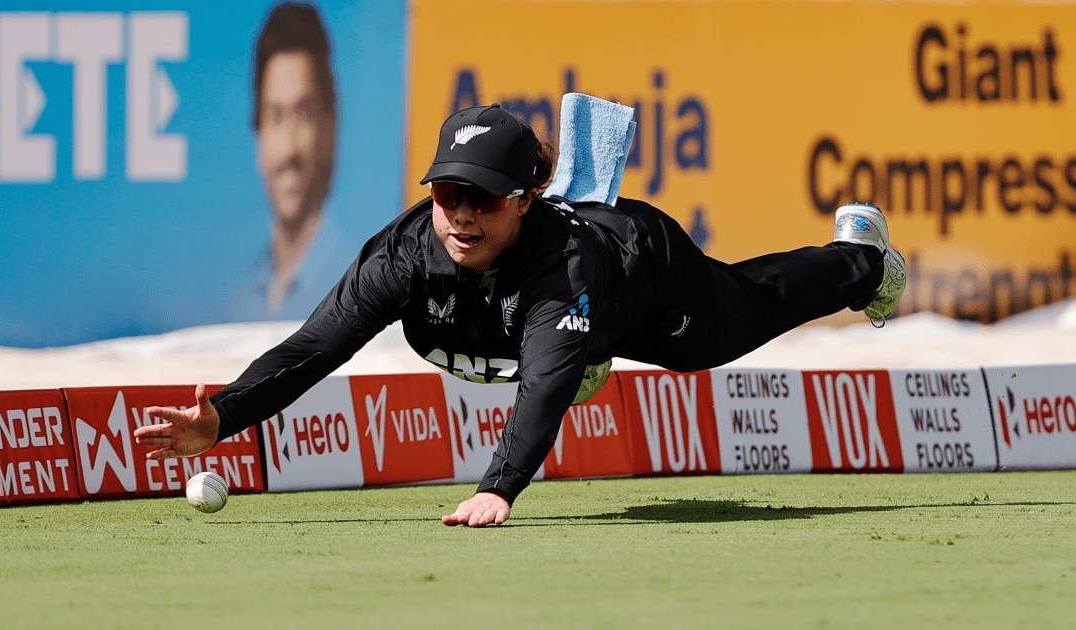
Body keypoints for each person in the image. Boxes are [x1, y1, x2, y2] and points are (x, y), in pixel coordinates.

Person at [137, 104, 907, 527]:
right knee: (547, 348)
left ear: (525, 199)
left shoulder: (563, 268)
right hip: (531, 324)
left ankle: (863, 259)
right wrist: (223, 415)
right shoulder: (405, 254)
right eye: (447, 194)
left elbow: (540, 391)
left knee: (738, 319)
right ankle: (583, 354)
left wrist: (498, 486)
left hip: (642, 280)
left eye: (483, 199)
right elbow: (316, 346)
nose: (461, 215)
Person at [249, 2, 340, 318]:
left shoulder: (356, 284)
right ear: (258, 134)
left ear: (329, 128)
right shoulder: (239, 299)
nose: (289, 150)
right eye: (275, 117)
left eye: (303, 115)